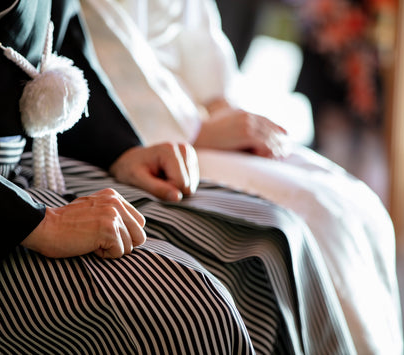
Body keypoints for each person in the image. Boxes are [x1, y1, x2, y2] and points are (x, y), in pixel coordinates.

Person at [0, 0, 355, 353]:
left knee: (268, 243)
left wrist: (121, 150)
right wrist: (39, 222)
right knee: (193, 317)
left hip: (34, 163)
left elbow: (67, 48)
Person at [79, 0, 403, 353]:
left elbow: (201, 43)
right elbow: (103, 49)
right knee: (315, 215)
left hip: (201, 123)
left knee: (357, 202)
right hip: (150, 136)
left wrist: (225, 110)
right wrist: (198, 129)